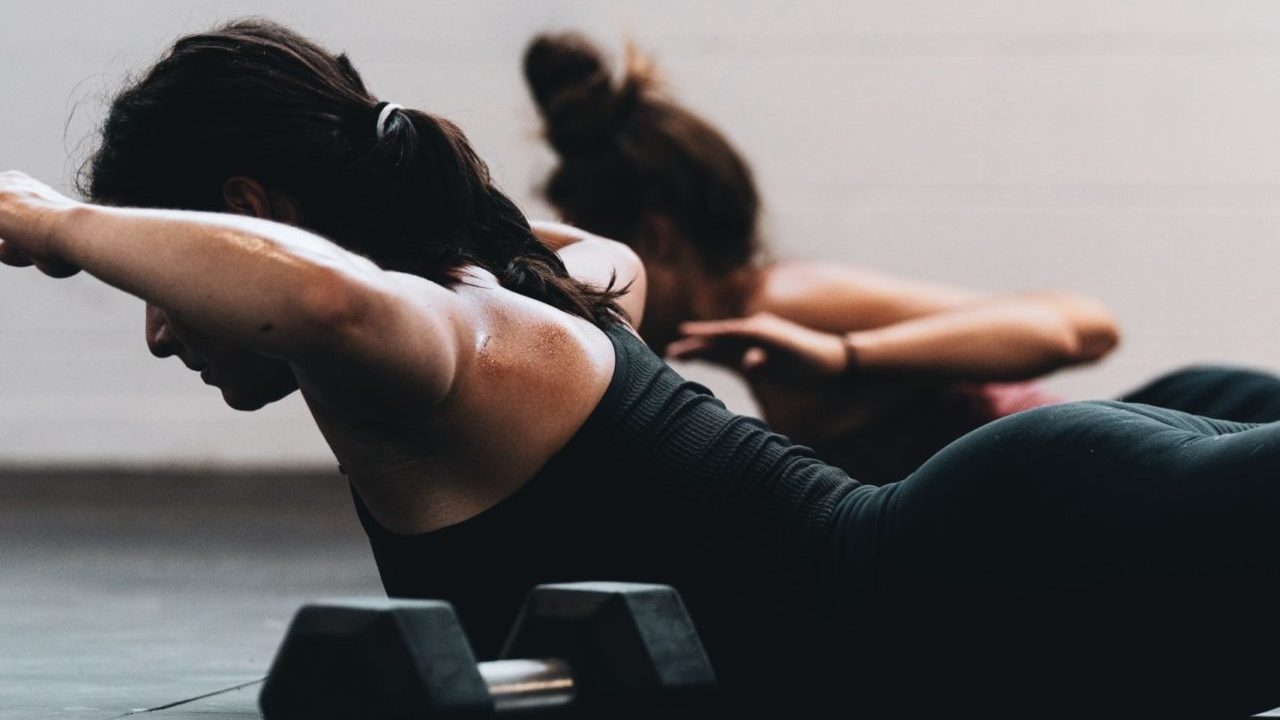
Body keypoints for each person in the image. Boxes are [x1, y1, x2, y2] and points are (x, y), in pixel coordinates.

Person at [3, 20, 1279, 717]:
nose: (161, 327)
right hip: (1024, 556)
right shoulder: (551, 280)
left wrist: (53, 225)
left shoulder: (437, 342)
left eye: (157, 287)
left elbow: (326, 296)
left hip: (1006, 584)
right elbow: (396, 257)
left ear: (244, 211)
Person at [522, 32, 1280, 482]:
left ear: (656, 239)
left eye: (594, 261)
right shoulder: (763, 340)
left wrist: (845, 358)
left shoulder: (787, 304)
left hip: (1177, 445)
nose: (586, 292)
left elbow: (1081, 327)